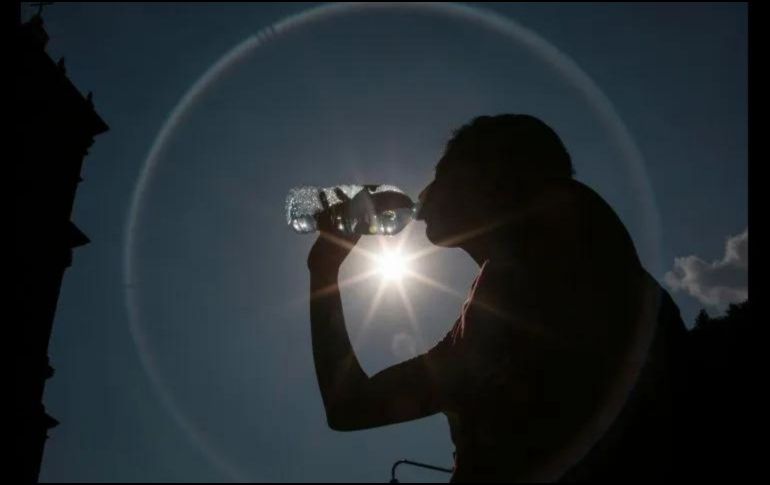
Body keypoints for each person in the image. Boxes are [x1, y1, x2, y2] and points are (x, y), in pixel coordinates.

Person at [306, 114, 687, 482]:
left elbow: (351, 406)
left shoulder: (546, 279)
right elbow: (351, 406)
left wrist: (324, 272)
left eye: (440, 178)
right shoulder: (518, 298)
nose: (425, 199)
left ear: (490, 182)